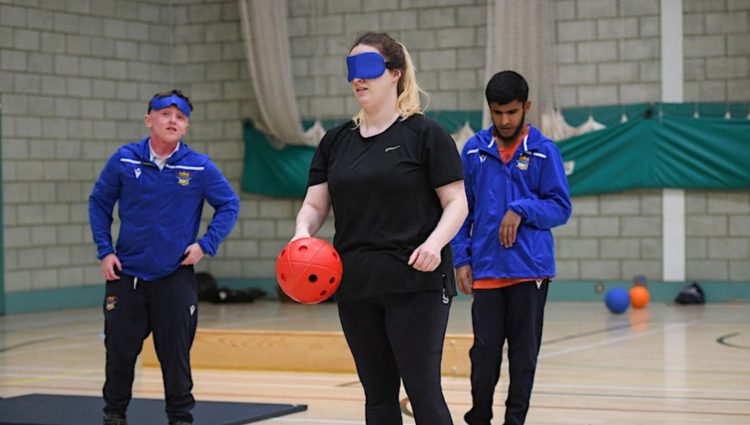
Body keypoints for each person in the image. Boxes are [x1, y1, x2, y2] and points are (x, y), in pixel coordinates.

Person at [291, 32, 468, 425]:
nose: (358, 79)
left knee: (423, 392)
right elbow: (315, 204)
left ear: (395, 74)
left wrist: (436, 244)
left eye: (368, 69)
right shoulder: (336, 142)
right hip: (356, 285)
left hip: (416, 282)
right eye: (352, 70)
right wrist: (303, 233)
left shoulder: (425, 134)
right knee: (377, 396)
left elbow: (457, 202)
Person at [88, 89, 240, 425]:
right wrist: (105, 251)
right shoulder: (124, 160)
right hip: (127, 277)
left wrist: (205, 245)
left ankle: (180, 418)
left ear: (186, 127)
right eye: (165, 114)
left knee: (175, 357)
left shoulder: (199, 167)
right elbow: (98, 203)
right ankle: (114, 415)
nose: (173, 120)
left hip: (175, 278)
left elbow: (230, 205)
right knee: (119, 354)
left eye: (181, 117)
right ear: (149, 120)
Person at [450, 71, 572, 425]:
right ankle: (479, 417)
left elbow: (560, 208)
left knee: (523, 356)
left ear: (526, 107)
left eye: (512, 112)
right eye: (498, 112)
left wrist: (521, 209)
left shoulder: (545, 153)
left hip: (529, 271)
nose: (504, 120)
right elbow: (460, 211)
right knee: (484, 352)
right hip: (486, 270)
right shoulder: (473, 151)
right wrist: (461, 259)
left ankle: (514, 421)